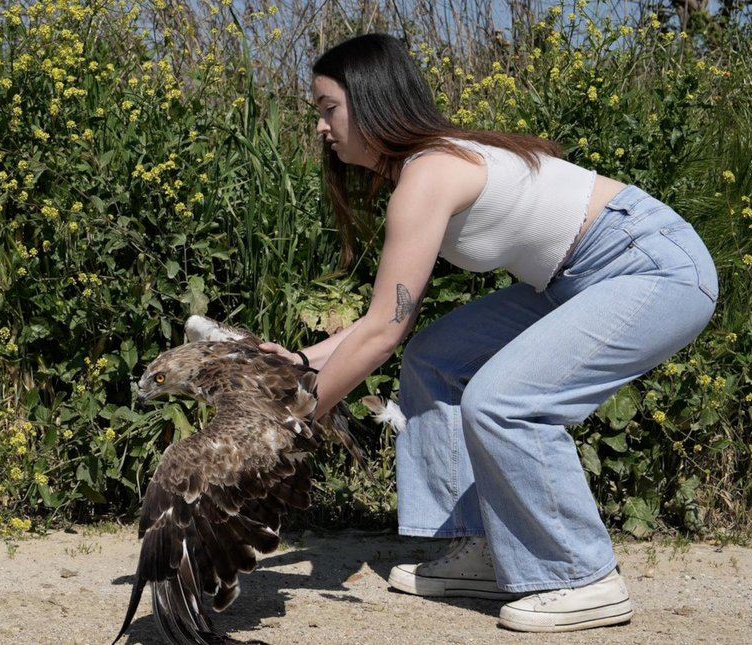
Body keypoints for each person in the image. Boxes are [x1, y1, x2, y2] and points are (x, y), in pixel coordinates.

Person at [258, 33, 718, 633]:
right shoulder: (424, 170)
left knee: (504, 401)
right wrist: (301, 361)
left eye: (329, 109)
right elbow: (386, 321)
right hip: (573, 278)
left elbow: (380, 334)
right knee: (438, 358)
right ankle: (484, 549)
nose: (321, 127)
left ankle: (583, 577)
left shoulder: (429, 174)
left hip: (651, 266)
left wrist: (295, 417)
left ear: (371, 101)